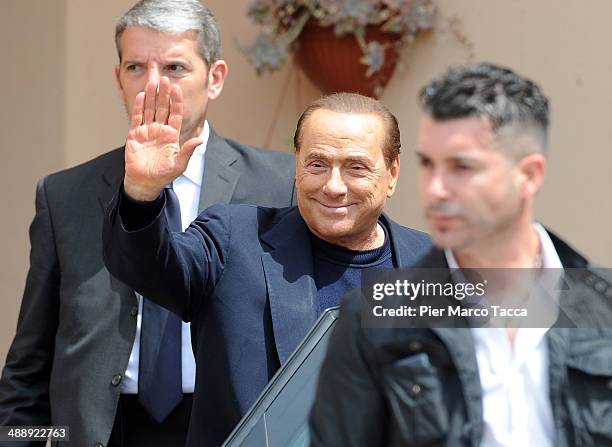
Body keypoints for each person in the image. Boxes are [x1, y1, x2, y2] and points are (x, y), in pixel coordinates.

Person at [0, 1, 296, 446]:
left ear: (214, 78)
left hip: (229, 430)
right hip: (103, 432)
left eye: (175, 67)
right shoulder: (65, 196)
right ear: (119, 79)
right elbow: (29, 367)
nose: (154, 85)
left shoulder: (277, 185)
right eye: (136, 67)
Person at [101, 88, 431, 446]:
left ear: (392, 172)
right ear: (297, 163)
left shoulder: (432, 264)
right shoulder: (236, 239)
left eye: (356, 167)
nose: (334, 186)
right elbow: (150, 268)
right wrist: (141, 193)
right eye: (317, 164)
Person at [309, 63, 612, 447]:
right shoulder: (374, 316)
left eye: (461, 167)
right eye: (428, 164)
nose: (435, 190)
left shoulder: (603, 305)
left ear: (530, 175)